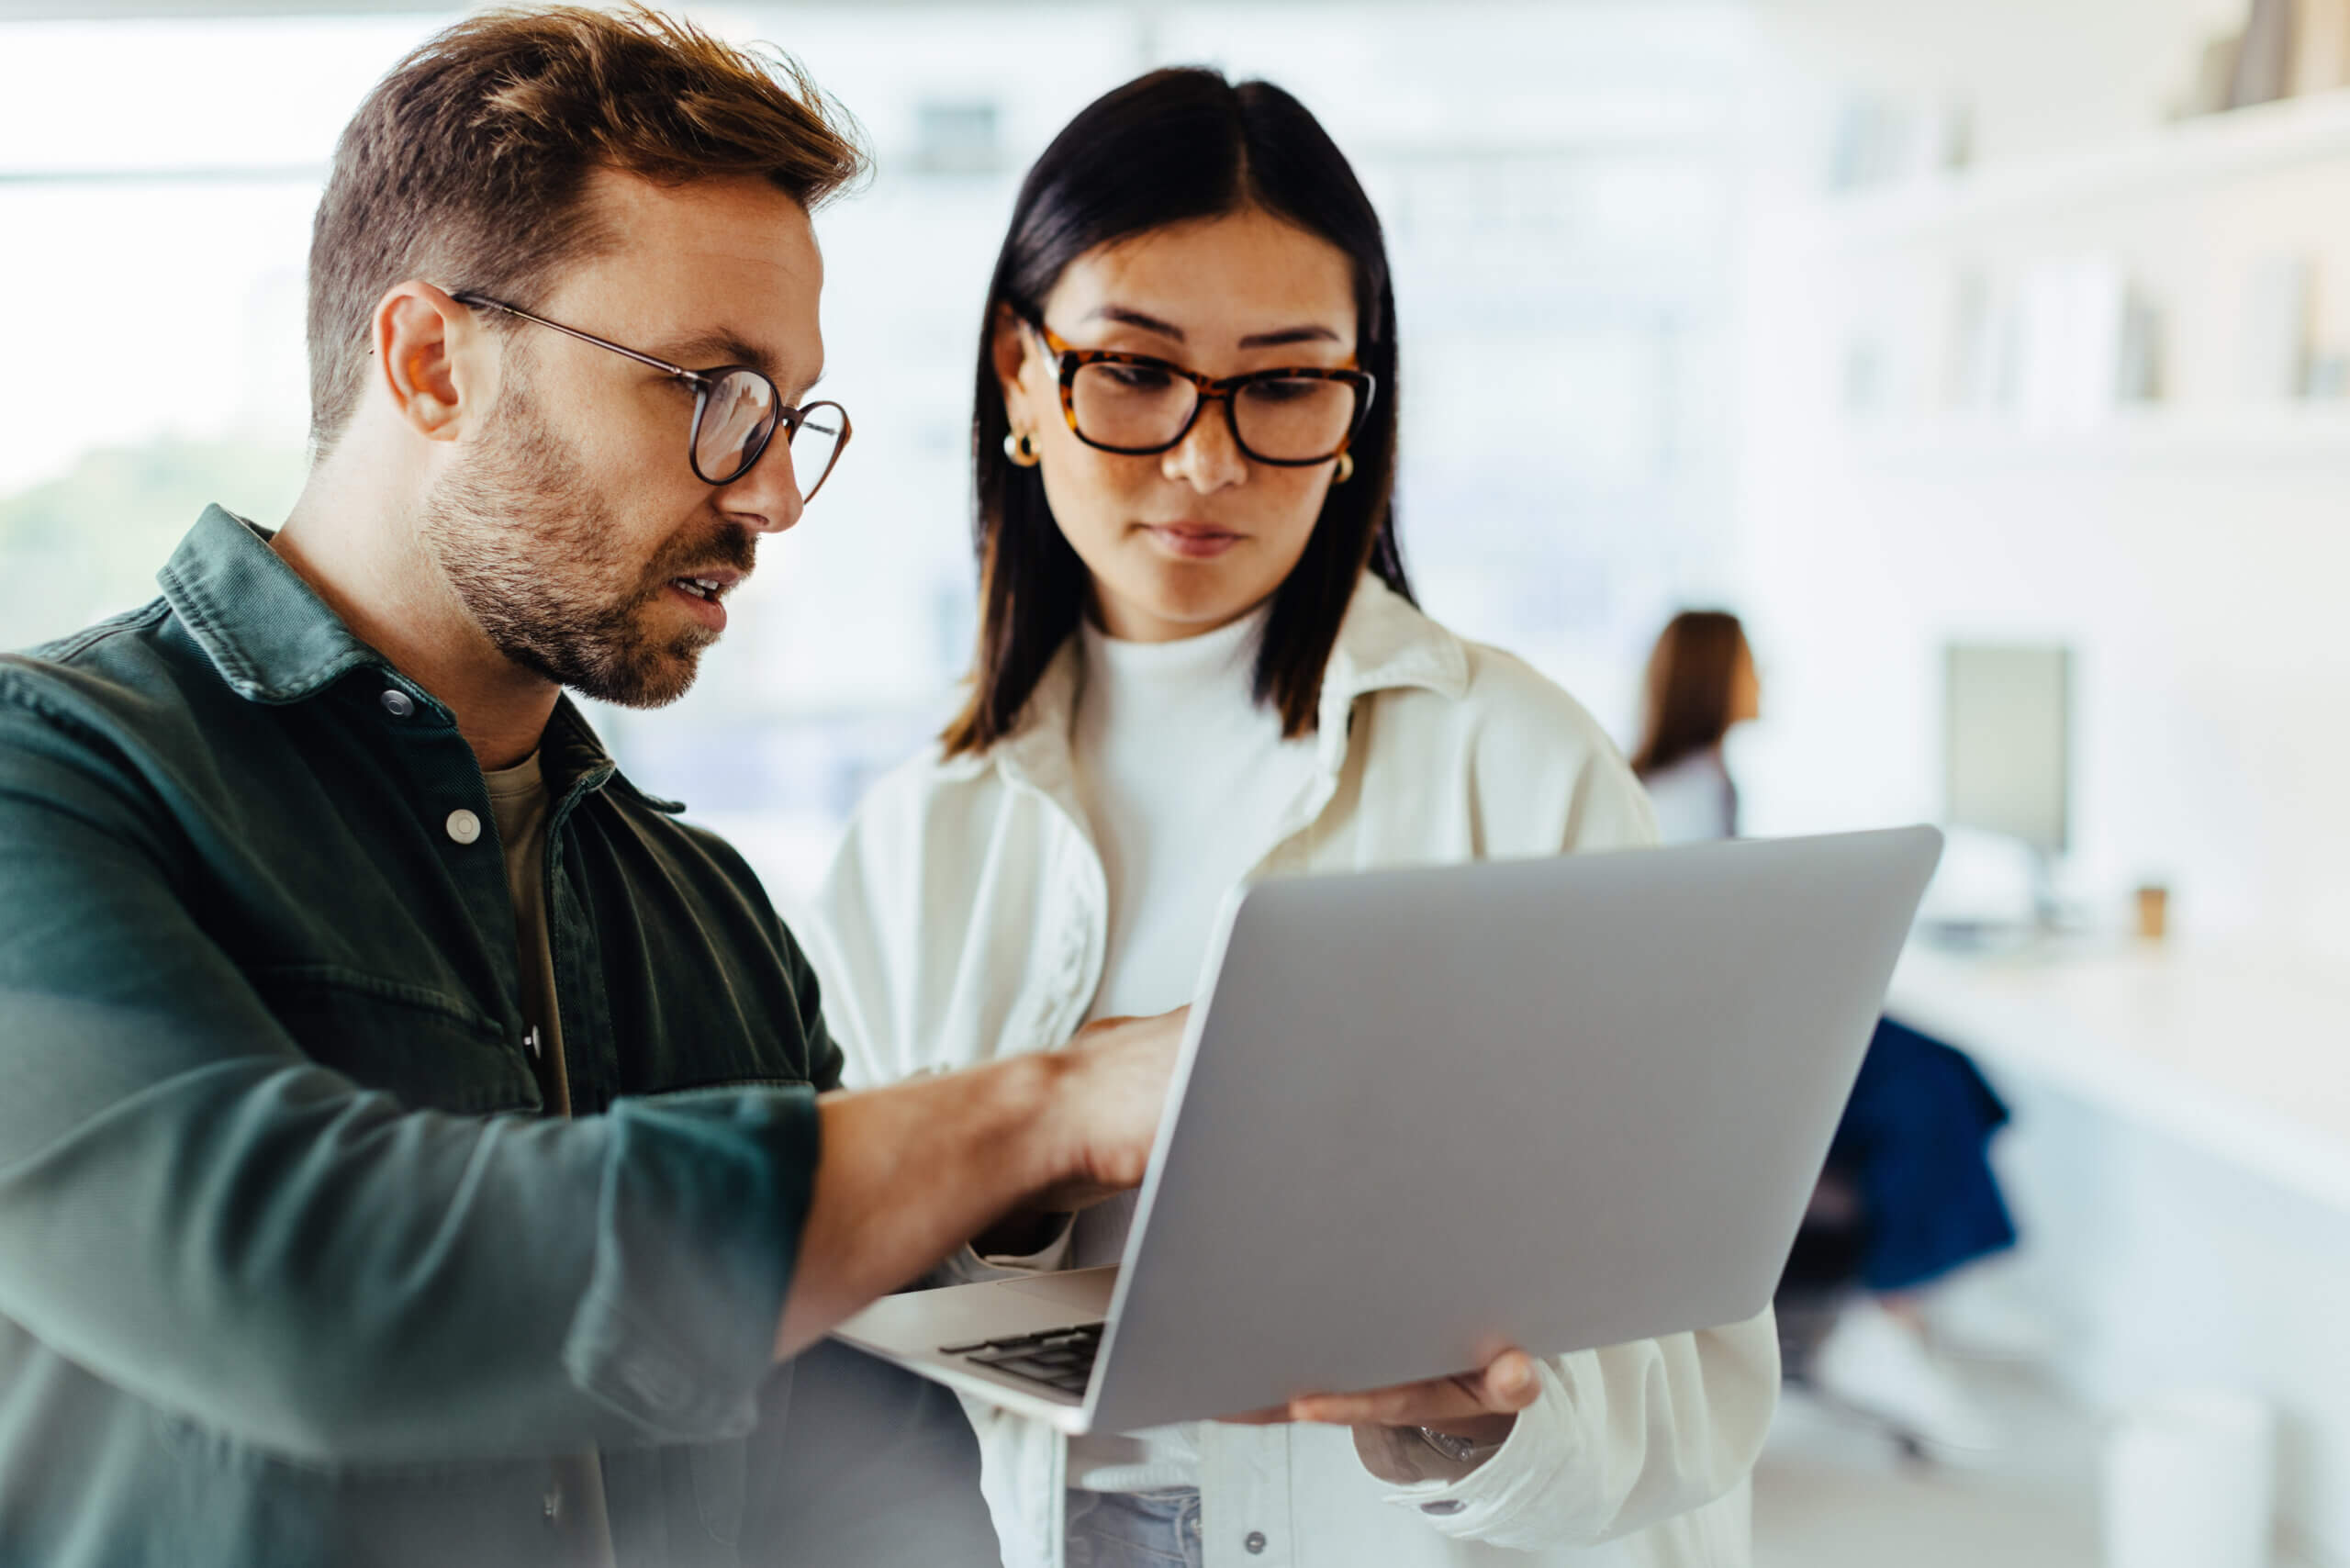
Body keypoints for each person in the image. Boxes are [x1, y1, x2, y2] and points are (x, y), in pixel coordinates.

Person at [0, 11, 1196, 1565]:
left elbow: (865, 1481)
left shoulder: (703, 913)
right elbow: (309, 1284)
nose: (767, 492)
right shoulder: (53, 781)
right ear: (433, 362)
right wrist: (1041, 1108)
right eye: (708, 387)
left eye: (786, 416)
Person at [800, 69, 1779, 1568]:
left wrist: (1469, 1426)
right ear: (1017, 372)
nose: (1209, 458)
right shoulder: (912, 840)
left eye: (1282, 382)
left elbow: (1695, 1391)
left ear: (1356, 402)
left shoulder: (1515, 763)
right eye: (1133, 369)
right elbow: (844, 1320)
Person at [1629, 610, 2018, 1454]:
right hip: (1721, 1059)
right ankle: (1899, 1308)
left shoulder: (1702, 780)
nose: (1765, 679)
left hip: (1747, 1028)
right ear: (1713, 678)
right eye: (1751, 665)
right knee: (1925, 1093)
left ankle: (1929, 1278)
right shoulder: (1685, 796)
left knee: (1955, 1072)